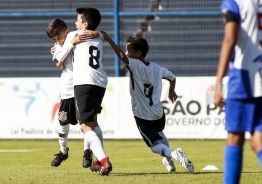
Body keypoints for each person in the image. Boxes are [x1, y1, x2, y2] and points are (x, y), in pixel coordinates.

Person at [101, 31, 194, 173]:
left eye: (129, 50)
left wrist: (108, 39)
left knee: (154, 146)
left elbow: (120, 56)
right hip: (158, 113)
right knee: (159, 133)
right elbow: (172, 77)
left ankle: (174, 154)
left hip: (143, 115)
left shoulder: (134, 65)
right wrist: (171, 90)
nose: (126, 53)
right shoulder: (157, 68)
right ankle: (169, 162)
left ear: (138, 54)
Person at [214, 0, 262, 183]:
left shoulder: (234, 2)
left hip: (243, 76)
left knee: (234, 136)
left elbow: (229, 39)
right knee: (259, 141)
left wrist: (218, 82)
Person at [53, 7, 112, 176]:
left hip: (84, 82)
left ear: (85, 24)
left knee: (85, 126)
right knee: (93, 122)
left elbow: (60, 59)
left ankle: (104, 160)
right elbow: (101, 35)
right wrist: (100, 34)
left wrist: (61, 47)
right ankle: (98, 161)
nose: (75, 23)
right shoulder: (97, 37)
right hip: (100, 82)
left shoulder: (73, 36)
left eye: (78, 20)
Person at [46, 18, 99, 167]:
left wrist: (74, 41)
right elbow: (59, 61)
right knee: (63, 121)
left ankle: (88, 152)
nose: (58, 41)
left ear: (66, 31)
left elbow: (92, 34)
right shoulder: (59, 45)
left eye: (59, 37)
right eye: (55, 39)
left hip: (82, 85)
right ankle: (63, 151)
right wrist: (70, 44)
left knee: (86, 123)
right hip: (67, 90)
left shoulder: (76, 35)